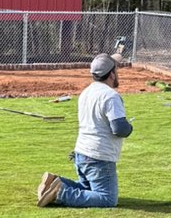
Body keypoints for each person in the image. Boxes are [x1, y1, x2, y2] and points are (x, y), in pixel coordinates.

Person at [36, 53, 133, 208]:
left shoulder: (86, 92)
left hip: (81, 153)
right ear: (112, 74)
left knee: (88, 189)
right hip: (99, 157)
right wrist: (129, 127)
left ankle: (55, 182)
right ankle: (60, 192)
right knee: (107, 199)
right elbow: (119, 129)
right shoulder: (110, 96)